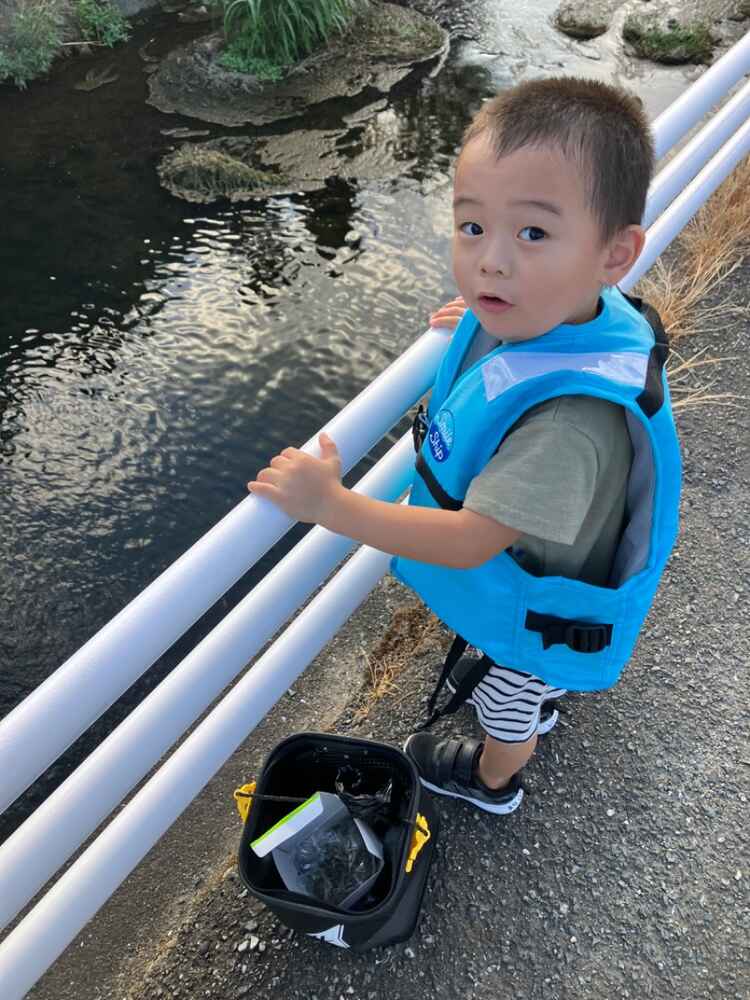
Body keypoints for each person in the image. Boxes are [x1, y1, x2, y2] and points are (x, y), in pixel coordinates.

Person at [248, 77, 681, 815]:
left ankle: (493, 778)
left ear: (614, 254)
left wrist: (332, 505)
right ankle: (538, 696)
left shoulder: (570, 424)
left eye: (533, 234)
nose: (491, 263)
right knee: (524, 683)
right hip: (544, 571)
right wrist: (484, 319)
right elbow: (539, 327)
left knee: (506, 704)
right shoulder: (565, 313)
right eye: (472, 226)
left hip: (539, 611)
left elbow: (470, 541)